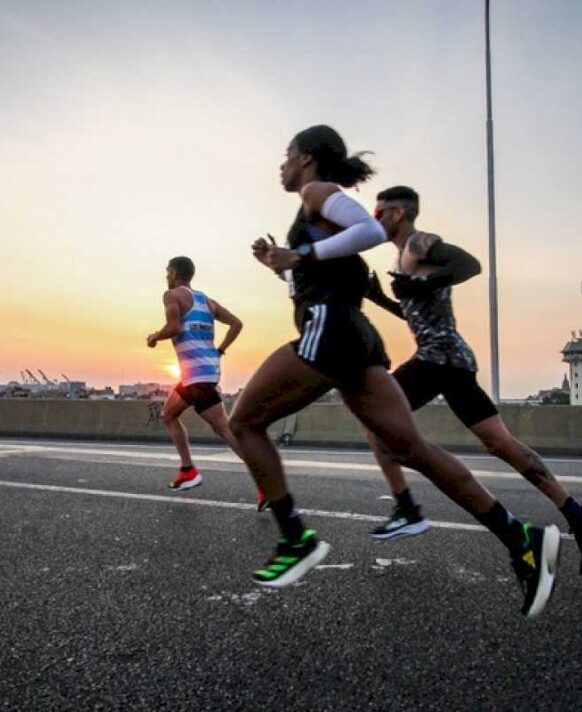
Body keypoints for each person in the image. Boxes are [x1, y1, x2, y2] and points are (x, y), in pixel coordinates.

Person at [229, 125, 560, 618]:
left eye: (286, 155)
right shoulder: (313, 209)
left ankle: (295, 538)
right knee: (411, 449)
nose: (281, 165)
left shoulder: (317, 192)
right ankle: (522, 538)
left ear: (307, 159)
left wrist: (302, 253)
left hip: (330, 331)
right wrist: (280, 264)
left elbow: (367, 230)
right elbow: (331, 267)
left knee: (243, 422)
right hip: (356, 338)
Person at [364, 185, 582, 575]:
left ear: (398, 212)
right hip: (451, 360)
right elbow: (421, 316)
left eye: (378, 213)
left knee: (373, 414)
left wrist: (422, 283)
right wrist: (379, 298)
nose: (374, 220)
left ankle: (406, 507)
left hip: (439, 359)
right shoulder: (402, 255)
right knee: (499, 443)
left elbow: (471, 265)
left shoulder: (419, 242)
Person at [147, 256, 268, 511]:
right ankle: (188, 470)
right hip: (200, 373)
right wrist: (220, 350)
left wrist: (154, 337)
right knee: (168, 414)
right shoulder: (207, 301)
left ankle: (266, 482)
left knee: (223, 428)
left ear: (176, 273)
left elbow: (173, 326)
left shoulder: (171, 296)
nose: (166, 275)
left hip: (197, 375)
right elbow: (237, 323)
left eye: (167, 271)